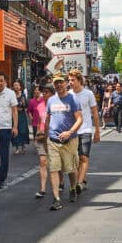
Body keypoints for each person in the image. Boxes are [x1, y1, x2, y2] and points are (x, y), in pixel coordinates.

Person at [46, 76, 83, 211]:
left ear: (66, 84)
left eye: (61, 82)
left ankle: (73, 188)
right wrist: (45, 136)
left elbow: (79, 119)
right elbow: (48, 119)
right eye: (56, 83)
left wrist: (69, 132)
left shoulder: (73, 100)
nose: (59, 85)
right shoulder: (50, 100)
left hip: (70, 140)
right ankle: (56, 199)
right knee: (54, 169)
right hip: (53, 140)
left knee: (70, 169)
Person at [68, 70, 100, 193]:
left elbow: (95, 113)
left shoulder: (88, 94)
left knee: (84, 157)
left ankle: (79, 183)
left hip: (86, 129)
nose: (70, 82)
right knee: (75, 159)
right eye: (69, 80)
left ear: (79, 80)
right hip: (73, 131)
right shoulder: (68, 94)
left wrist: (97, 130)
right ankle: (82, 179)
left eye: (73, 80)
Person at [29, 83, 53, 198]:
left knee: (55, 164)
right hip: (42, 136)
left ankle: (60, 182)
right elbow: (39, 122)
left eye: (47, 92)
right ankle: (43, 188)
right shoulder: (40, 106)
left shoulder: (57, 105)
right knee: (43, 162)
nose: (44, 94)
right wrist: (37, 135)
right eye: (43, 92)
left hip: (54, 136)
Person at [11, 80, 30, 154]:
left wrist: (23, 104)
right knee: (15, 131)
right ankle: (16, 147)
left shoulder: (23, 95)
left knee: (23, 130)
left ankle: (23, 145)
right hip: (13, 115)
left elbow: (25, 105)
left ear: (20, 86)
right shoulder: (11, 95)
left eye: (17, 85)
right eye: (15, 85)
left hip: (22, 115)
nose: (16, 86)